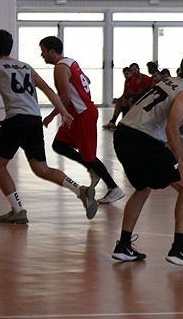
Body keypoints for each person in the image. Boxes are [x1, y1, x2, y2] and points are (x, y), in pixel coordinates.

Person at [0, 29, 97, 224]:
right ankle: (80, 190)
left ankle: (18, 210)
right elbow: (49, 90)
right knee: (41, 168)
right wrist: (63, 112)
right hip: (34, 120)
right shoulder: (26, 67)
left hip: (16, 120)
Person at [111, 50, 183, 269]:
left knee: (143, 187)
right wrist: (181, 161)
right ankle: (179, 249)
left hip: (123, 135)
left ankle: (124, 245)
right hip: (141, 139)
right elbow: (171, 127)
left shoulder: (170, 82)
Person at [39, 36, 125, 205]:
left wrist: (52, 115)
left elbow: (65, 97)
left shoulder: (60, 68)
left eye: (43, 51)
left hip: (83, 114)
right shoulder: (71, 62)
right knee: (59, 144)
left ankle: (114, 188)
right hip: (78, 114)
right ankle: (92, 169)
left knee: (89, 155)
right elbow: (87, 81)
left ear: (52, 51)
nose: (42, 55)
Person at [103, 63, 153, 129]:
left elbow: (146, 91)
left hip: (143, 98)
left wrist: (131, 95)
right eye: (131, 70)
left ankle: (125, 121)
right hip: (137, 97)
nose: (133, 72)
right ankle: (114, 121)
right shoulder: (132, 80)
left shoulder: (145, 78)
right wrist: (119, 99)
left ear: (138, 69)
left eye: (134, 70)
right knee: (121, 102)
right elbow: (126, 93)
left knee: (128, 101)